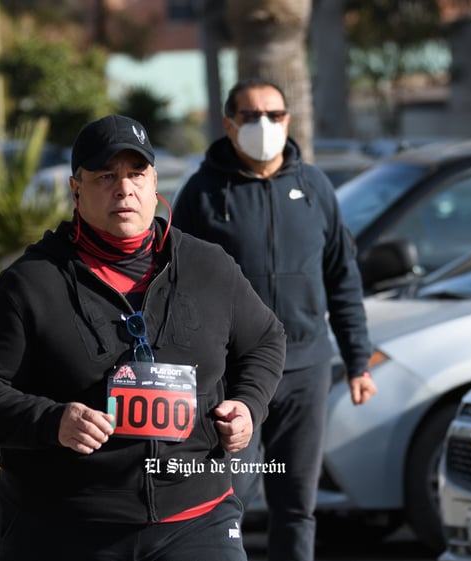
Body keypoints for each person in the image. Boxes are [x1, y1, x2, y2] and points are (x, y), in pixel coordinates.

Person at [0, 114, 287, 561]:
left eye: (136, 174)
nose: (124, 189)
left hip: (196, 518)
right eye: (106, 176)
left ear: (154, 182)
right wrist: (52, 422)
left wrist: (247, 404)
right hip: (65, 525)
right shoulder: (30, 283)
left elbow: (265, 339)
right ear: (76, 189)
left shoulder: (208, 267)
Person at [172, 78, 378, 561]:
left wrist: (358, 360)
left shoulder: (315, 188)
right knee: (228, 499)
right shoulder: (203, 193)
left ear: (289, 120)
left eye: (275, 115)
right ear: (228, 124)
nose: (264, 125)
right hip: (232, 379)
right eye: (250, 116)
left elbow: (342, 278)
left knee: (296, 506)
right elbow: (174, 286)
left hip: (305, 371)